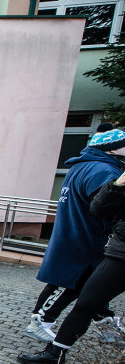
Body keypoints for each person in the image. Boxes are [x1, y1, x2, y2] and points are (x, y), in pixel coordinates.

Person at [24, 128, 125, 343]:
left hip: (76, 234)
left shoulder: (83, 166)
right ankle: (41, 321)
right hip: (87, 239)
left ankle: (107, 326)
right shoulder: (104, 171)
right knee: (72, 283)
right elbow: (106, 207)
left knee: (92, 287)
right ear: (113, 148)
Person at [18, 169, 125, 364]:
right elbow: (99, 208)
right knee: (86, 302)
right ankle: (56, 354)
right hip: (120, 252)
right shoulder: (115, 175)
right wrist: (116, 186)